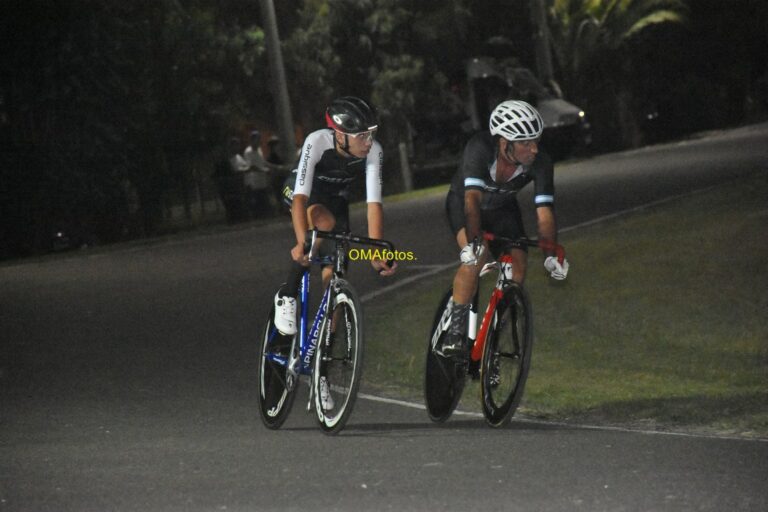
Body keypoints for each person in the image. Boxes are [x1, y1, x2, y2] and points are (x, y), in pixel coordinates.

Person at [440, 99, 569, 358]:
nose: (533, 149)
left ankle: (496, 332)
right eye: (525, 143)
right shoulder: (479, 148)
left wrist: (550, 254)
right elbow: (472, 201)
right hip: (465, 205)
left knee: (519, 264)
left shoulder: (541, 162)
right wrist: (474, 243)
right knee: (476, 259)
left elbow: (544, 214)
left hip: (502, 211)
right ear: (504, 142)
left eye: (536, 141)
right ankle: (455, 332)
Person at [275, 96, 397, 338]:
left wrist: (375, 251)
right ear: (340, 135)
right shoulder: (317, 141)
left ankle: (325, 345)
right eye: (362, 135)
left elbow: (374, 204)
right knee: (323, 224)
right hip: (303, 193)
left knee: (336, 272)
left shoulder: (374, 152)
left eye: (371, 133)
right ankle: (287, 296)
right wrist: (302, 244)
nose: (369, 141)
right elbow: (300, 199)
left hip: (335, 199)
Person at [243, 130, 276, 217]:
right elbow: (251, 166)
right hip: (254, 181)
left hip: (262, 181)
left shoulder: (259, 150)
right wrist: (264, 170)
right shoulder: (248, 152)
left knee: (264, 201)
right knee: (257, 202)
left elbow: (263, 162)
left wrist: (274, 167)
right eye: (256, 139)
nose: (258, 141)